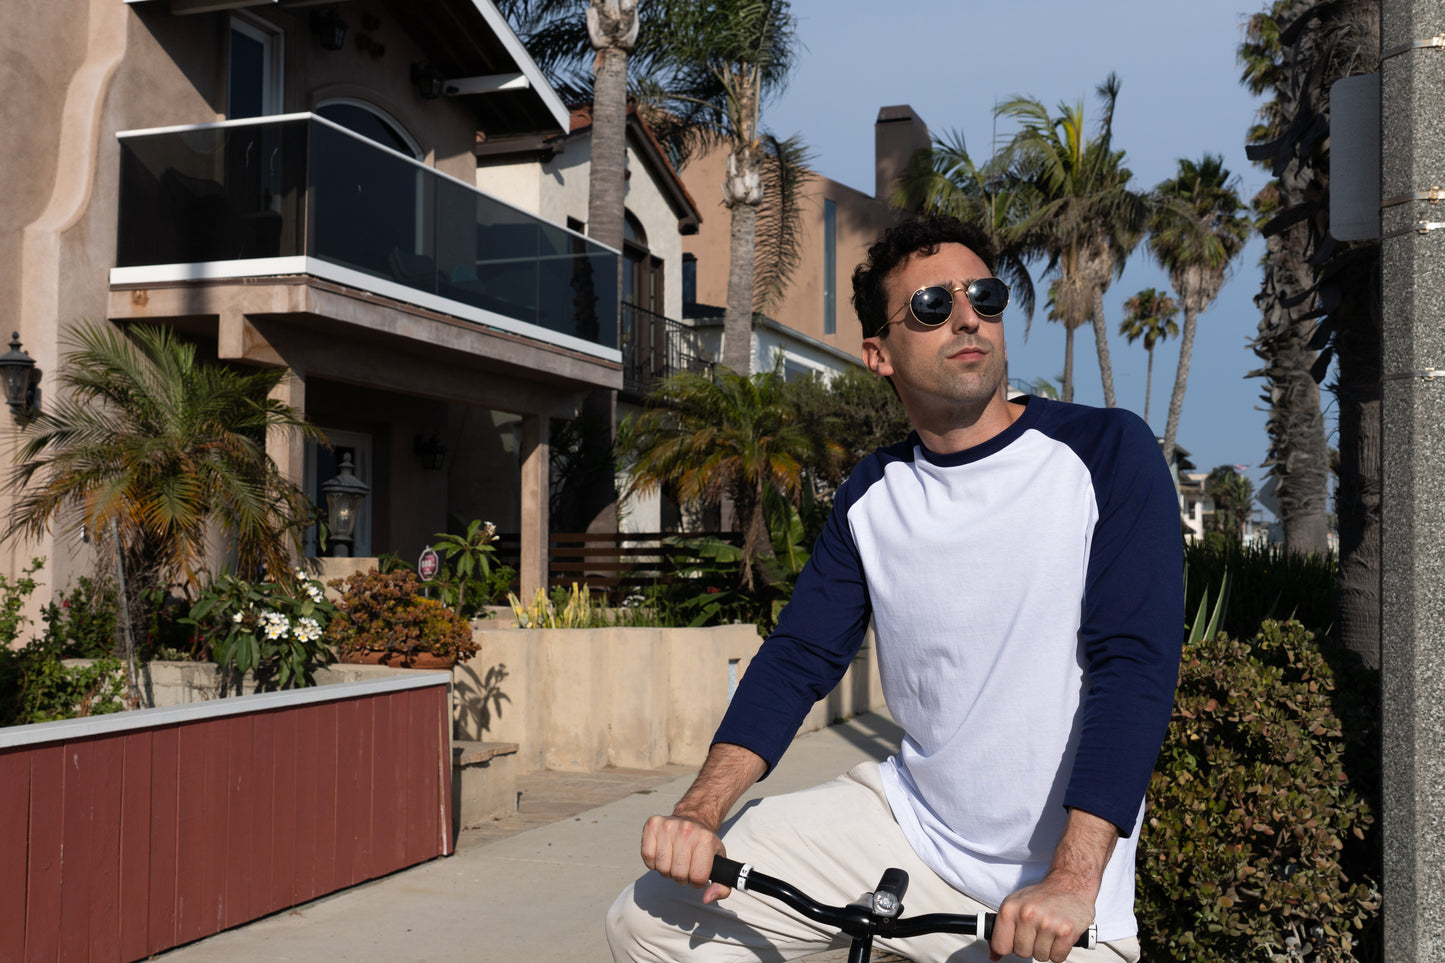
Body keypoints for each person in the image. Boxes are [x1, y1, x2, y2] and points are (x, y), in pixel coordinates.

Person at [606, 213, 1183, 963]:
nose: (967, 315)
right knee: (649, 920)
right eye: (931, 306)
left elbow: (1133, 668)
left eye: (983, 294)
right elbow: (799, 656)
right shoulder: (871, 493)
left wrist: (1072, 878)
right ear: (878, 353)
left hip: (1060, 884)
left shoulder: (1104, 452)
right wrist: (700, 810)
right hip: (909, 824)